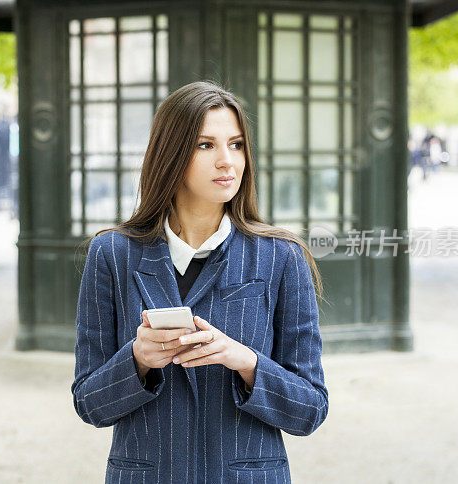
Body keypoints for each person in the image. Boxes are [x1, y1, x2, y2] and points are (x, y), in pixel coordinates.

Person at [71, 81, 328, 483]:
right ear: (170, 153)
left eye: (237, 144)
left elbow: (310, 410)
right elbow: (89, 403)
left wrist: (246, 362)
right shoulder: (113, 254)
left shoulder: (281, 256)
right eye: (206, 145)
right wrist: (137, 361)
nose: (228, 161)